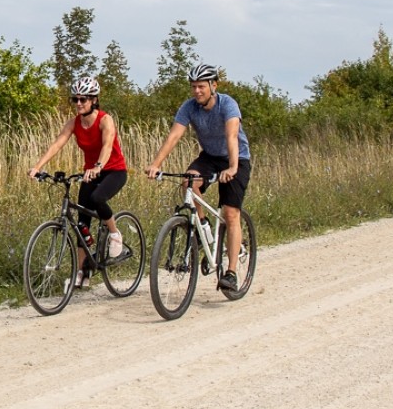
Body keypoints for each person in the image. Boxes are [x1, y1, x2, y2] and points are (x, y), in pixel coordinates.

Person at [144, 63, 250, 292]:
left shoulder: (227, 104)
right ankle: (203, 228)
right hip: (210, 157)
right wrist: (155, 164)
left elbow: (232, 136)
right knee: (188, 181)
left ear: (214, 85)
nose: (196, 91)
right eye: (193, 87)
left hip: (236, 159)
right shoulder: (189, 107)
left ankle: (230, 273)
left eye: (201, 86)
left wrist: (232, 168)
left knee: (231, 213)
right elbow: (174, 136)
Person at [30, 75, 130, 288]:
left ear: (94, 100)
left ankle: (114, 233)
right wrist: (38, 167)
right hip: (89, 173)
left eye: (83, 99)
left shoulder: (105, 120)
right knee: (81, 224)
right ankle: (81, 273)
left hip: (113, 171)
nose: (78, 104)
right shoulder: (74, 123)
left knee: (98, 197)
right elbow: (57, 144)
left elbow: (107, 145)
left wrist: (98, 167)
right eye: (74, 99)